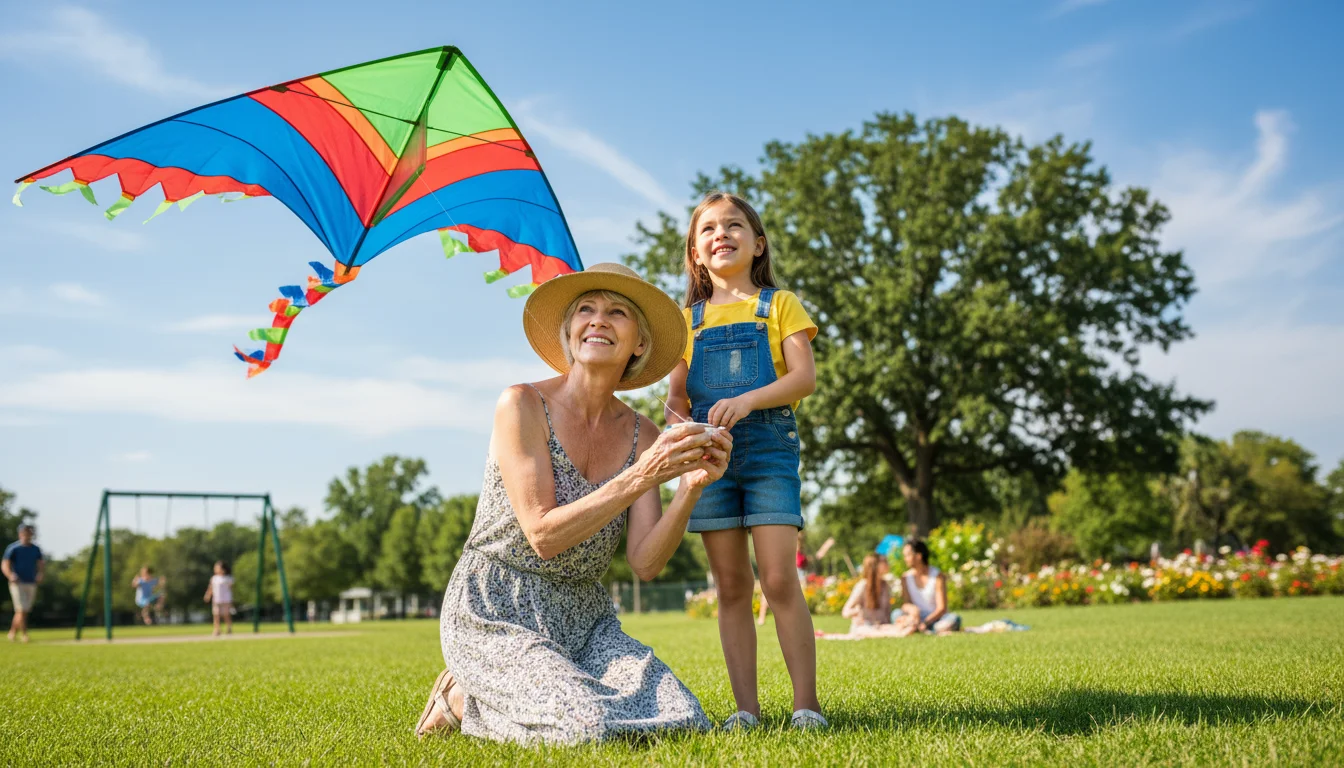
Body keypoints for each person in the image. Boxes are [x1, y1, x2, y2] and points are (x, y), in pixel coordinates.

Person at [416, 263, 733, 745]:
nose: (598, 320)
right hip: (497, 605)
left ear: (639, 344)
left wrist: (689, 487)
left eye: (617, 312)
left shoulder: (643, 433)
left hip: (585, 616)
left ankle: (492, 690)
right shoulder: (521, 404)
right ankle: (462, 696)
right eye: (586, 309)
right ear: (568, 333)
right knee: (581, 727)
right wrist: (645, 473)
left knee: (686, 718)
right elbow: (543, 536)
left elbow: (645, 563)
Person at [666, 192, 825, 731]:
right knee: (731, 586)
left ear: (758, 244)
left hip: (769, 453)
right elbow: (676, 399)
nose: (721, 234)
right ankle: (746, 712)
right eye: (708, 228)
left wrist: (750, 399)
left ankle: (807, 707)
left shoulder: (780, 305)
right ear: (695, 252)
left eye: (734, 225)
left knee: (779, 579)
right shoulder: (683, 322)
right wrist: (679, 429)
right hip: (710, 459)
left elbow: (804, 378)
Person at [897, 540, 961, 634]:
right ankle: (925, 629)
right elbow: (906, 603)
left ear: (918, 556)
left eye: (908, 555)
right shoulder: (905, 578)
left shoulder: (937, 576)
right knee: (896, 614)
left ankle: (920, 628)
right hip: (915, 617)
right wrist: (913, 610)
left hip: (935, 618)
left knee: (954, 619)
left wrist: (925, 622)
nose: (905, 559)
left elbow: (942, 608)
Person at [3, 524, 44, 643]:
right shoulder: (13, 548)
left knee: (24, 610)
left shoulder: (35, 549)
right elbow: (5, 564)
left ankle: (12, 632)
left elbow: (41, 563)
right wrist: (10, 575)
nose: (27, 535)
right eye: (25, 533)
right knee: (21, 609)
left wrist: (40, 573)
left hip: (31, 582)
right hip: (17, 582)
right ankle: (24, 634)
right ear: (20, 534)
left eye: (29, 533)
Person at [203, 560, 233, 636]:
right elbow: (211, 588)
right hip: (216, 599)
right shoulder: (214, 578)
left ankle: (228, 628)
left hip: (226, 599)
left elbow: (231, 589)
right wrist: (208, 595)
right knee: (216, 615)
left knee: (226, 614)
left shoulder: (228, 578)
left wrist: (232, 600)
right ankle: (217, 629)